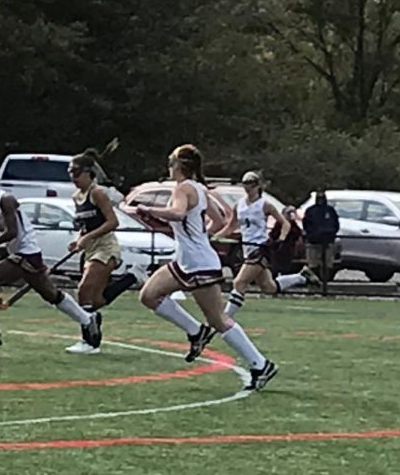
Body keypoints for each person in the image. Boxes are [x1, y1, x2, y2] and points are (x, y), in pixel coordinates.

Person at [135, 145, 278, 392]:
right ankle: (196, 332)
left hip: (199, 264)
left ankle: (260, 364)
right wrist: (201, 237)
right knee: (149, 295)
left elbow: (178, 213)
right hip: (186, 261)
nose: (169, 168)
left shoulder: (184, 188)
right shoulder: (199, 188)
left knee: (219, 320)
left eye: (171, 163)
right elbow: (220, 220)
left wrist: (149, 210)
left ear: (179, 165)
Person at [0, 167, 102, 350]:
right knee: (51, 294)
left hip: (26, 253)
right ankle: (87, 318)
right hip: (19, 254)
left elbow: (11, 232)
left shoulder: (6, 200)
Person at [64, 149, 147, 354]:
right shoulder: (77, 197)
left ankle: (89, 341)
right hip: (90, 248)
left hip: (106, 247)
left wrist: (87, 237)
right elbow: (86, 226)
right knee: (96, 300)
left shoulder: (97, 193)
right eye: (70, 173)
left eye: (76, 172)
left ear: (88, 172)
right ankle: (131, 277)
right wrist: (78, 240)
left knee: (83, 290)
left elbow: (113, 222)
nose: (72, 178)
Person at [214, 171, 315, 318]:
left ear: (257, 186)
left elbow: (285, 223)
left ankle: (225, 319)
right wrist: (215, 237)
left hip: (260, 250)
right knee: (269, 287)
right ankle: (302, 277)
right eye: (246, 184)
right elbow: (230, 226)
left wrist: (280, 239)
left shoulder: (265, 205)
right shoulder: (239, 205)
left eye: (251, 184)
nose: (248, 188)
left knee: (239, 282)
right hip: (247, 250)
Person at [301, 191, 340, 285]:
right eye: (319, 198)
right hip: (313, 242)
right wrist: (312, 235)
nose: (321, 200)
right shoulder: (311, 210)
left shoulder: (330, 211)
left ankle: (325, 284)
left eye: (322, 198)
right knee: (313, 263)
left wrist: (331, 235)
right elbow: (306, 224)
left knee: (327, 263)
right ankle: (313, 282)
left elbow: (336, 224)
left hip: (328, 242)